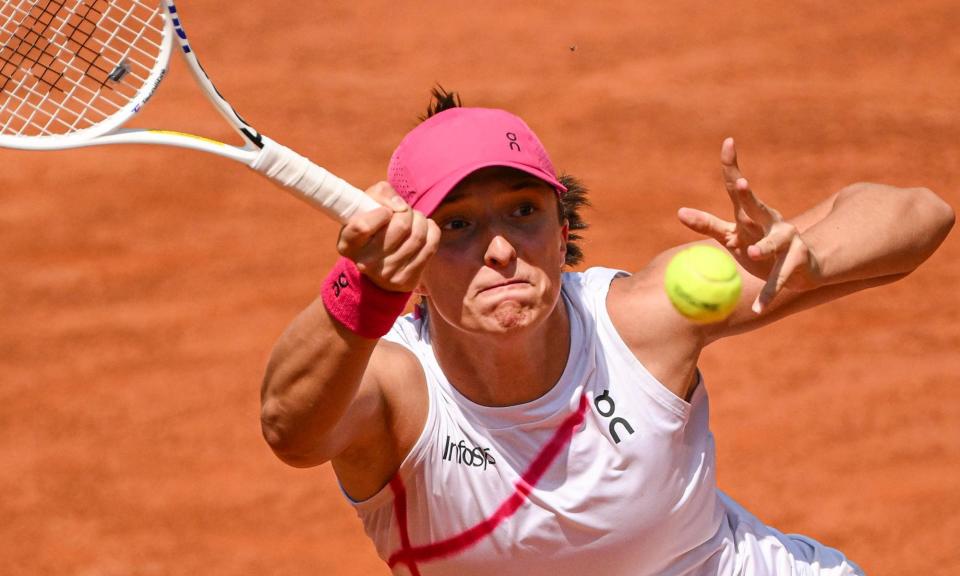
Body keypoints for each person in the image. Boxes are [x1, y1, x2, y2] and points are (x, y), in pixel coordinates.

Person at [259, 90, 954, 576]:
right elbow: (289, 427)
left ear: (563, 235)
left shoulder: (642, 322)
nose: (499, 249)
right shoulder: (398, 391)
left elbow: (920, 213)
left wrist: (814, 257)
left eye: (522, 212)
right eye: (459, 225)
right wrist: (362, 288)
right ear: (411, 262)